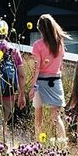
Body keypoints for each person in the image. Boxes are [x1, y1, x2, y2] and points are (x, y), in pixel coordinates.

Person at [29, 14, 69, 142]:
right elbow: (61, 66)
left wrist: (32, 87)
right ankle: (63, 143)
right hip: (56, 81)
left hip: (40, 82)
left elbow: (37, 68)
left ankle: (38, 143)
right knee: (56, 117)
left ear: (40, 29)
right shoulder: (60, 44)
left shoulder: (37, 45)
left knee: (38, 116)